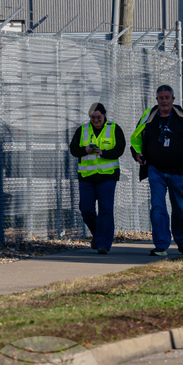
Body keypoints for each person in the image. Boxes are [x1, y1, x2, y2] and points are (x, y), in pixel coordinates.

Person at [130, 85, 183, 257]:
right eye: (161, 98)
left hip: (177, 171)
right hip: (155, 169)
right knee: (157, 206)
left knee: (181, 208)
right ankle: (161, 245)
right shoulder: (149, 116)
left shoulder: (181, 116)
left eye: (167, 98)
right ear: (156, 100)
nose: (164, 101)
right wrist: (137, 154)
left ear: (173, 99)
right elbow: (136, 138)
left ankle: (180, 239)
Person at [68, 103, 126, 254]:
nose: (96, 120)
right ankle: (98, 234)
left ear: (104, 115)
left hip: (107, 176)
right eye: (93, 117)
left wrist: (103, 153)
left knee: (105, 209)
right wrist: (85, 150)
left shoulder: (114, 128)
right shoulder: (82, 130)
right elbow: (73, 149)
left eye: (99, 117)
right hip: (87, 176)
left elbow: (120, 149)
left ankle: (104, 244)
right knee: (86, 209)